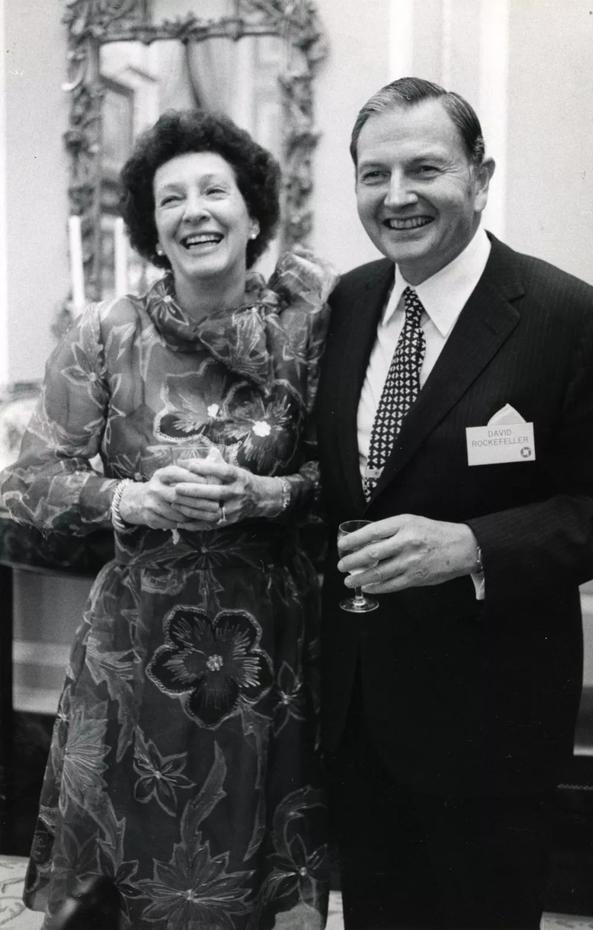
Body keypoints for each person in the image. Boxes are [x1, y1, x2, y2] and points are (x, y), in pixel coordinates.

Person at [316, 77, 593, 930]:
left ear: (481, 177)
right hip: (361, 714)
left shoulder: (571, 318)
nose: (397, 196)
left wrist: (472, 547)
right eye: (374, 175)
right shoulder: (346, 303)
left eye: (425, 169)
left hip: (492, 730)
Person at [1, 108, 335, 930]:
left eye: (214, 191)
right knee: (129, 865)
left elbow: (351, 477)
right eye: (171, 199)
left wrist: (268, 495)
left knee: (253, 857)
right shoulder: (106, 334)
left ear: (253, 214)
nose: (195, 212)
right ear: (152, 229)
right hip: (137, 644)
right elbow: (26, 484)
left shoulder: (310, 331)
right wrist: (132, 499)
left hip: (271, 641)